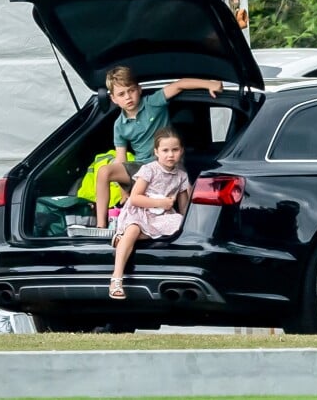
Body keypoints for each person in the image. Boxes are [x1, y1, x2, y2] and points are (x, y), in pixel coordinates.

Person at [95, 66, 222, 228]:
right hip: (141, 168)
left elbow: (179, 85)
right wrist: (124, 191)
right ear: (113, 99)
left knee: (183, 192)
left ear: (139, 90)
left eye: (131, 90)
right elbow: (121, 160)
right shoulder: (119, 125)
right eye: (121, 94)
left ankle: (188, 226)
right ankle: (101, 226)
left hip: (166, 162)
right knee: (104, 171)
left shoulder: (152, 103)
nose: (128, 97)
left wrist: (209, 84)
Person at [109, 128, 190, 300]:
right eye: (165, 150)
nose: (170, 155)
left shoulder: (181, 176)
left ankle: (123, 239)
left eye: (175, 150)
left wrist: (185, 219)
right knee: (133, 229)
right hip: (140, 211)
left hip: (161, 216)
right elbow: (135, 198)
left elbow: (184, 207)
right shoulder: (149, 169)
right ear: (156, 152)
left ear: (181, 151)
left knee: (179, 222)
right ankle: (116, 278)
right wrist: (161, 202)